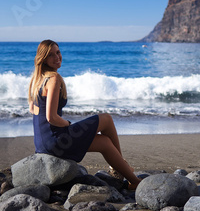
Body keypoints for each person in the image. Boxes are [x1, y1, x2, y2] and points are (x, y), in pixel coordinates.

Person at [28, 39, 141, 190]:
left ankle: (130, 178)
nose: (57, 57)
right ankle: (127, 172)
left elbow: (32, 109)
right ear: (43, 58)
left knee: (105, 143)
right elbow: (51, 117)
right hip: (56, 141)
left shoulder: (37, 79)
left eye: (58, 52)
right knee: (106, 119)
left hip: (42, 144)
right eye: (51, 55)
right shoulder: (53, 79)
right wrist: (68, 125)